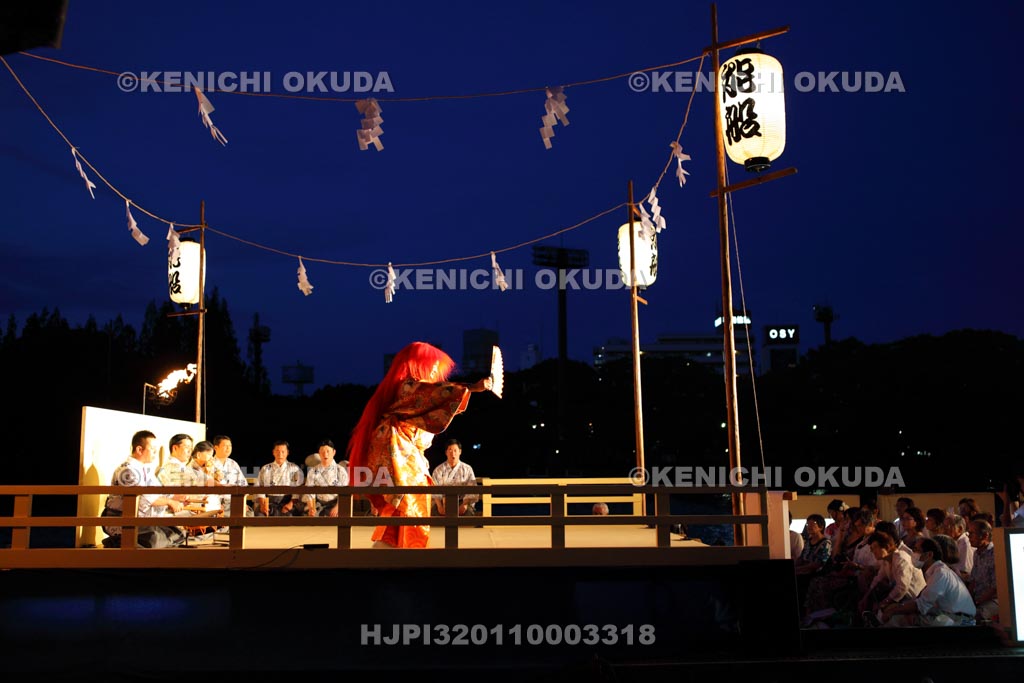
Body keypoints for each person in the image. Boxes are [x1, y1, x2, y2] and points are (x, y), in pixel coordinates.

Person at [347, 341, 491, 548]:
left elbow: (435, 400)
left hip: (402, 453)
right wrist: (472, 387)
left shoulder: (408, 391)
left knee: (403, 506)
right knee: (410, 502)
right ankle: (405, 550)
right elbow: (437, 394)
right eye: (432, 366)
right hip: (397, 453)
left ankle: (392, 549)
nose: (434, 372)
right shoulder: (408, 387)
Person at [101, 430, 186, 548]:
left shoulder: (145, 469)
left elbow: (158, 491)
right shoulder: (127, 471)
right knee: (154, 539)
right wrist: (169, 502)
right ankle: (116, 542)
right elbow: (143, 499)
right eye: (153, 449)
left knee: (177, 533)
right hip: (123, 520)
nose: (155, 453)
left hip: (144, 522)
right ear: (139, 449)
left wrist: (176, 498)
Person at [881, 536, 976, 627]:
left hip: (961, 619)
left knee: (906, 619)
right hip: (947, 614)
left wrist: (894, 610)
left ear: (929, 555)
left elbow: (921, 605)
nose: (913, 554)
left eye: (916, 550)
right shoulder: (933, 572)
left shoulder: (941, 573)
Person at [253, 440, 304, 516]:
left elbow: (297, 490)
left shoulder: (294, 469)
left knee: (290, 517)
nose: (280, 454)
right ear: (273, 452)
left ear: (287, 453)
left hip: (287, 502)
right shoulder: (265, 468)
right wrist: (263, 505)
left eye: (283, 451)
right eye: (277, 451)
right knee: (260, 516)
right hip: (268, 503)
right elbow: (259, 488)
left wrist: (290, 504)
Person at [431, 439, 480, 516]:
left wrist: (464, 504)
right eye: (450, 450)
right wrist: (440, 506)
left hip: (461, 501)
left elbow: (472, 489)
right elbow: (434, 490)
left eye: (455, 450)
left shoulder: (467, 469)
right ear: (446, 452)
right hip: (443, 502)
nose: (453, 453)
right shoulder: (438, 470)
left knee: (468, 513)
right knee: (433, 513)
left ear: (460, 452)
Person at [302, 439, 349, 517]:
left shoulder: (340, 470)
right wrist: (311, 508)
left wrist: (337, 507)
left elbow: (345, 492)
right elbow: (309, 492)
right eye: (322, 451)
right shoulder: (313, 471)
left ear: (334, 452)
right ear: (319, 453)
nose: (325, 454)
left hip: (336, 504)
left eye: (328, 451)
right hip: (318, 504)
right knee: (310, 517)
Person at [966, 519, 998, 621]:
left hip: (993, 600)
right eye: (968, 533)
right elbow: (973, 580)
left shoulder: (995, 554)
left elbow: (996, 588)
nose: (969, 537)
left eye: (972, 533)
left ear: (984, 536)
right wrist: (967, 600)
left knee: (975, 616)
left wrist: (977, 602)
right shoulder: (976, 553)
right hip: (978, 599)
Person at [209, 435, 248, 515]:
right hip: (215, 502)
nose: (228, 448)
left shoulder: (233, 463)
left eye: (230, 446)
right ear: (216, 448)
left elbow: (243, 483)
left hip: (233, 501)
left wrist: (243, 502)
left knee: (249, 515)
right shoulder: (209, 463)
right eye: (225, 446)